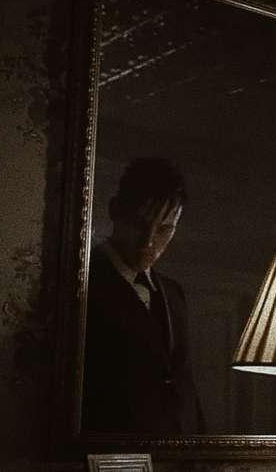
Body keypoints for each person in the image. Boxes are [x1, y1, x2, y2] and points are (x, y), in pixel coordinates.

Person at [82, 157, 205, 434]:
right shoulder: (83, 284)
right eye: (139, 224)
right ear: (115, 211)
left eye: (164, 229)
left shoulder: (173, 293)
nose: (149, 241)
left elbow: (184, 385)